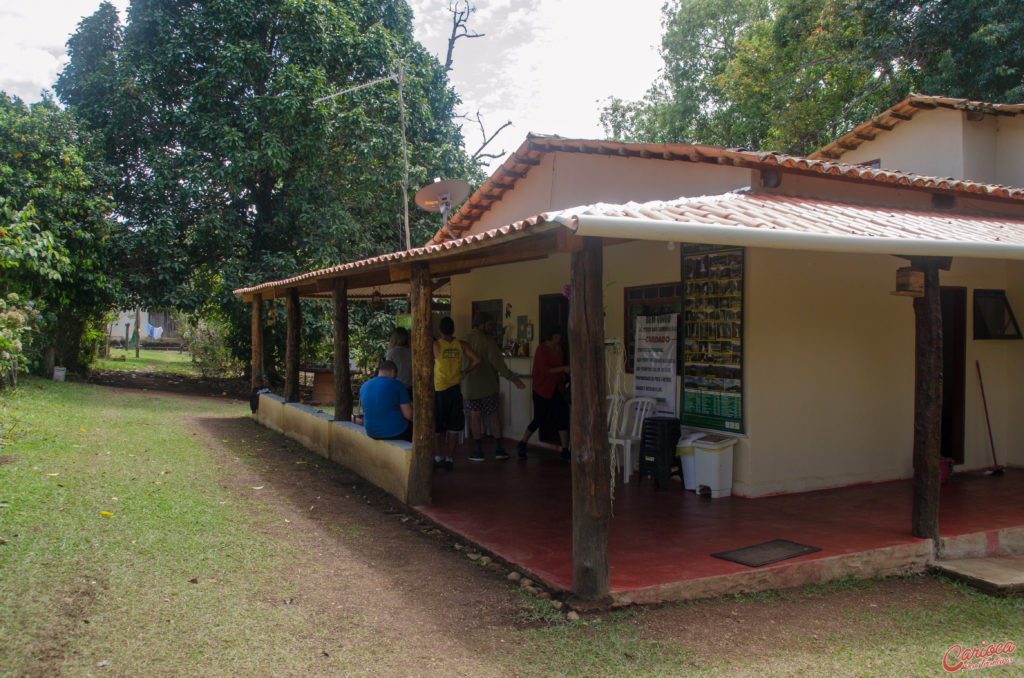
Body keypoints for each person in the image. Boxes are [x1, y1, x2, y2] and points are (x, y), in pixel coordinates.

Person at [462, 312, 525, 461]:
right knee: (494, 416)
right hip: (489, 386)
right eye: (490, 325)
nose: (491, 328)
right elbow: (499, 364)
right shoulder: (488, 341)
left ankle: (478, 451)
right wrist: (513, 379)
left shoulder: (464, 340)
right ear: (482, 324)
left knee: (474, 416)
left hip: (470, 386)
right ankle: (499, 449)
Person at [516, 326, 570, 460]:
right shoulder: (541, 350)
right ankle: (522, 442)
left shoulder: (559, 350)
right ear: (552, 337)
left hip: (557, 388)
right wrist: (563, 368)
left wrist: (564, 378)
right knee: (539, 418)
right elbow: (544, 370)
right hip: (542, 388)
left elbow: (559, 369)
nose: (559, 339)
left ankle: (564, 449)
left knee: (562, 416)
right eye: (557, 337)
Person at [433, 316, 480, 470]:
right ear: (453, 330)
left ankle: (438, 457)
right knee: (453, 427)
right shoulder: (461, 344)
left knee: (437, 428)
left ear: (440, 330)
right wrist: (465, 372)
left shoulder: (436, 345)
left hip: (439, 389)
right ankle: (450, 459)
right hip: (455, 389)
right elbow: (477, 360)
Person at [358, 359, 412, 441]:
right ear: (393, 372)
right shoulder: (397, 385)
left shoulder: (364, 386)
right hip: (395, 432)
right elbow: (408, 415)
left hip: (371, 432)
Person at [385, 326, 412, 397]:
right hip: (411, 387)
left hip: (396, 387)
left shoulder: (391, 353)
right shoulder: (412, 351)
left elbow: (387, 373)